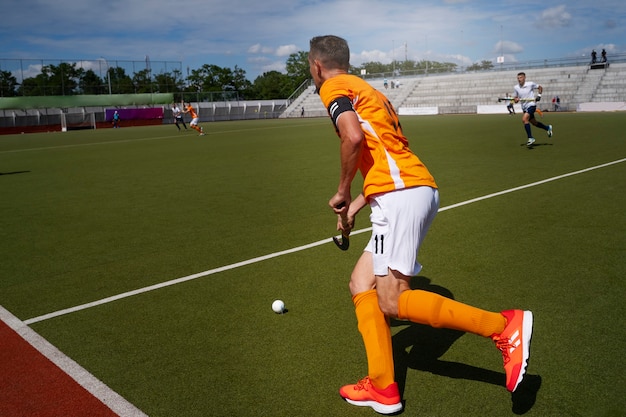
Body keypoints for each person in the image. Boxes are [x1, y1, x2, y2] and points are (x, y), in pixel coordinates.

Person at [309, 35, 534, 415]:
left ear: (316, 66)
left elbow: (353, 137)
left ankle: (502, 326)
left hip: (401, 194)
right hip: (406, 190)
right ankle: (382, 386)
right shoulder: (369, 90)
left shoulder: (332, 86)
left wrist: (344, 190)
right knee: (360, 284)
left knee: (392, 300)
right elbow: (384, 154)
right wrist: (359, 206)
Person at [513, 72, 552, 147]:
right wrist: (516, 100)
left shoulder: (530, 84)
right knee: (534, 123)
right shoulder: (516, 87)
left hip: (531, 105)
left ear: (524, 78)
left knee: (524, 119)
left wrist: (539, 95)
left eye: (520, 78)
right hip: (524, 107)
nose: (519, 79)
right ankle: (547, 128)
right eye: (518, 78)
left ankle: (530, 138)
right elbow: (515, 98)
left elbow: (540, 87)